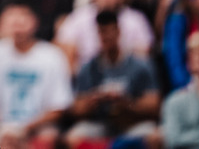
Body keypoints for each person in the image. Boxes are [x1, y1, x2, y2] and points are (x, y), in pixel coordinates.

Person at [0, 0, 72, 148]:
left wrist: (26, 127)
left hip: (39, 127)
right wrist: (4, 126)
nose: (18, 25)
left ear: (35, 22)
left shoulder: (52, 56)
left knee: (48, 137)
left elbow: (59, 106)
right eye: (13, 19)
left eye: (23, 18)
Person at [65, 10, 161, 146]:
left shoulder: (140, 65)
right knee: (73, 137)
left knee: (156, 136)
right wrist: (94, 100)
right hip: (101, 122)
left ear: (118, 31)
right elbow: (77, 109)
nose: (106, 37)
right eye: (101, 33)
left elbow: (154, 104)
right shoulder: (89, 68)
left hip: (132, 122)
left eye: (109, 32)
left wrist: (126, 103)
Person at [55, 0, 153, 72]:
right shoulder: (78, 18)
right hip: (88, 77)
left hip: (127, 77)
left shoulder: (135, 20)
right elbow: (65, 51)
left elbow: (143, 57)